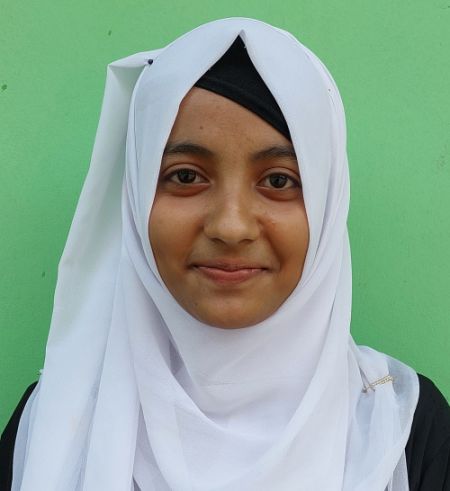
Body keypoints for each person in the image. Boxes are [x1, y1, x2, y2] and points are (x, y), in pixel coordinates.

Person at [1, 17, 449, 491]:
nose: (231, 227)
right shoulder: (55, 426)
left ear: (328, 202)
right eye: (186, 176)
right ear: (135, 198)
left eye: (279, 180)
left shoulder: (403, 429)